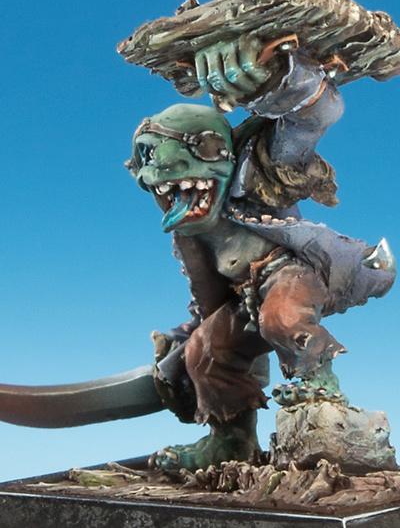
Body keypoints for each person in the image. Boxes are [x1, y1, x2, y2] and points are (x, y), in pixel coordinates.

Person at [126, 35, 396, 471]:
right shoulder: (191, 232)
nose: (162, 174)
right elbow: (209, 296)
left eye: (202, 151)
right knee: (205, 353)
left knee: (283, 319)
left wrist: (277, 76)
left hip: (292, 270)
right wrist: (190, 337)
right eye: (148, 162)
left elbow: (316, 114)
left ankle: (321, 400)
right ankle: (231, 441)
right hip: (246, 296)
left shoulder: (256, 174)